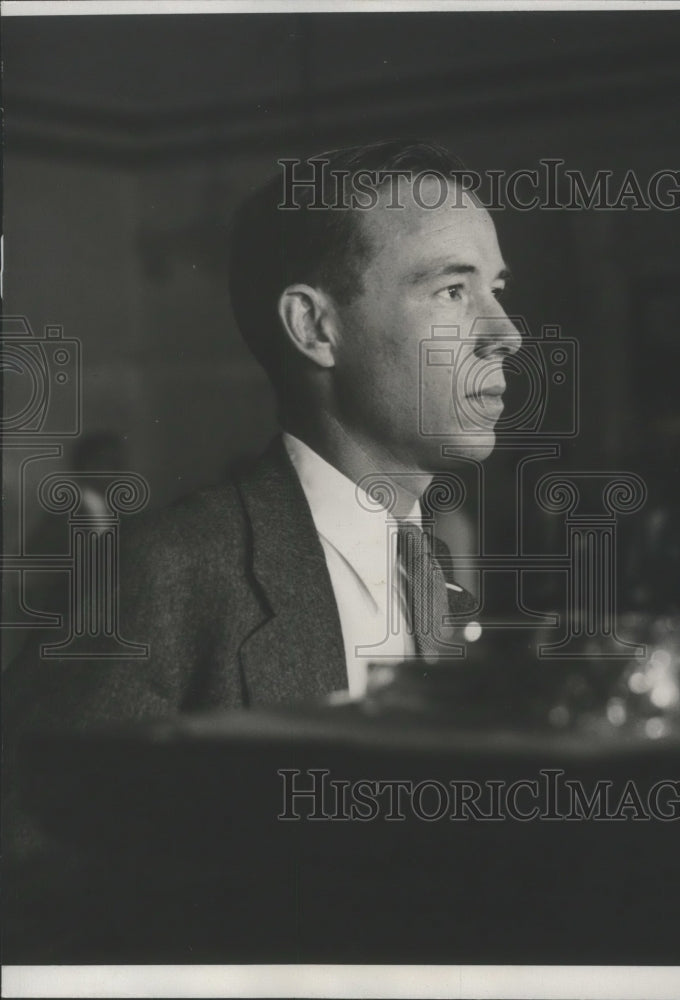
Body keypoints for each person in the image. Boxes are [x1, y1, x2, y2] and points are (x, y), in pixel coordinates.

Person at [4, 138, 521, 740]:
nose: (505, 333)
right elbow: (32, 818)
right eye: (452, 291)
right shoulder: (167, 572)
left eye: (497, 291)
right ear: (314, 328)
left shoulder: (437, 585)